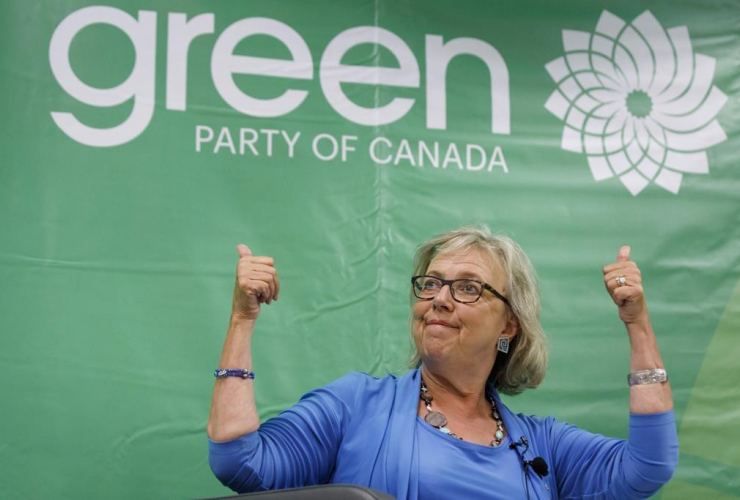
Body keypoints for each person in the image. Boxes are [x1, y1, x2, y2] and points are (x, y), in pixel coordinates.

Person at [207, 225, 678, 499]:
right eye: (431, 284)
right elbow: (240, 462)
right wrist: (241, 320)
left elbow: (649, 466)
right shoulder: (355, 406)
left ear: (509, 325)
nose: (439, 300)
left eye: (468, 287)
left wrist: (637, 324)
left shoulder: (543, 445)